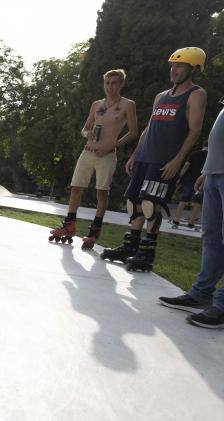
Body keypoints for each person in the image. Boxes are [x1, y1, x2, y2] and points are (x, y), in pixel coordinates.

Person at [101, 47, 207, 270]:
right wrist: (135, 155)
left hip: (164, 161)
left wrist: (178, 161)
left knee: (151, 205)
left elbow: (195, 131)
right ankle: (130, 247)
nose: (174, 70)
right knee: (134, 203)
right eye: (172, 65)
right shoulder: (161, 96)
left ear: (193, 69)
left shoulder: (196, 94)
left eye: (179, 66)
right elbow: (149, 128)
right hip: (145, 157)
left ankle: (146, 253)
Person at [49, 69, 137, 249]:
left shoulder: (128, 104)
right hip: (88, 151)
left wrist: (113, 145)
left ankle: (94, 231)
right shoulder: (97, 104)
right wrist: (87, 133)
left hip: (107, 155)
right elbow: (85, 128)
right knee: (75, 188)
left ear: (121, 84)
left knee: (101, 192)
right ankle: (69, 225)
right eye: (107, 83)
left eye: (114, 83)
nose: (110, 86)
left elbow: (133, 132)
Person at [158, 105, 224, 328]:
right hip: (215, 173)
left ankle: (222, 306)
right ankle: (201, 294)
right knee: (212, 237)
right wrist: (207, 171)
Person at [171, 142, 207, 230]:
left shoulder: (195, 154)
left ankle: (176, 220)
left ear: (203, 146)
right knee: (198, 201)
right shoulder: (211, 156)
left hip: (190, 179)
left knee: (184, 199)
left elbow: (186, 165)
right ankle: (191, 222)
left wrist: (179, 176)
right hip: (202, 180)